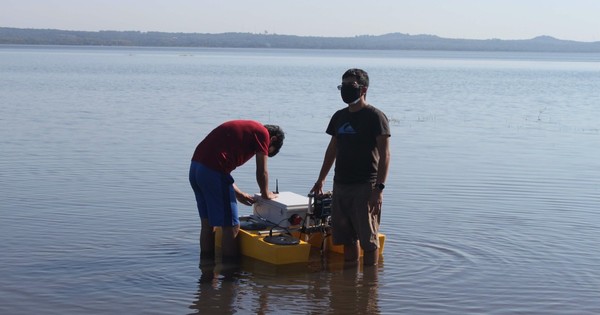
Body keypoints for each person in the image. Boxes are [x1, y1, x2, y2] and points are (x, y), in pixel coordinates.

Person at [310, 68, 390, 266]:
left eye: (350, 85)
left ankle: (369, 288)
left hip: (365, 186)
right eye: (343, 85)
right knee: (346, 238)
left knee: (369, 240)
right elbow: (332, 150)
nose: (345, 90)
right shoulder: (339, 116)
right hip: (341, 185)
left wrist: (378, 189)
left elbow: (385, 155)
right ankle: (349, 287)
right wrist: (321, 179)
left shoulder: (375, 117)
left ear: (363, 89)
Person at [190, 120, 284, 263]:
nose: (264, 151)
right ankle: (230, 276)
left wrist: (238, 193)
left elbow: (219, 166)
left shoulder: (248, 130)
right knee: (231, 226)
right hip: (212, 172)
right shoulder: (263, 133)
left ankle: (206, 269)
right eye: (268, 150)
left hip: (196, 169)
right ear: (274, 139)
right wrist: (265, 193)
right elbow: (262, 171)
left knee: (208, 224)